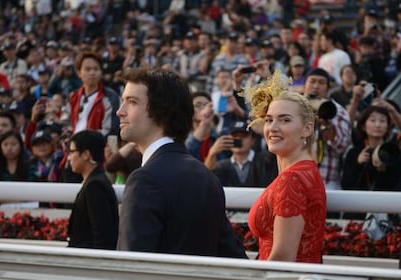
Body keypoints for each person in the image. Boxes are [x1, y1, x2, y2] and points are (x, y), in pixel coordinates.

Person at [116, 68, 247, 258]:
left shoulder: (144, 179)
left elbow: (132, 266)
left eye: (132, 102)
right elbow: (232, 256)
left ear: (162, 112)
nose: (120, 111)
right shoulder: (206, 176)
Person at [247, 70, 326, 263]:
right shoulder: (306, 170)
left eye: (285, 120)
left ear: (307, 129)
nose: (273, 127)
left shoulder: (292, 179)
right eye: (269, 119)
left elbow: (282, 259)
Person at [67, 130, 119, 250]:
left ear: (85, 154)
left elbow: (102, 235)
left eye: (72, 151)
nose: (69, 158)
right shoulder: (95, 181)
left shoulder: (95, 185)